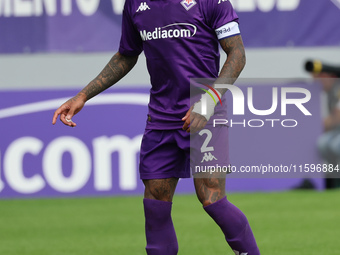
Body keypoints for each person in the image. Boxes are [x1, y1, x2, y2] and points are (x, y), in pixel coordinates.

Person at [52, 0, 260, 254]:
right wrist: (83, 95)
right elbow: (126, 56)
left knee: (211, 198)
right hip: (161, 118)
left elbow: (237, 54)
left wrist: (208, 102)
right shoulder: (135, 4)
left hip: (206, 113)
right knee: (155, 202)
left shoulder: (211, 2)